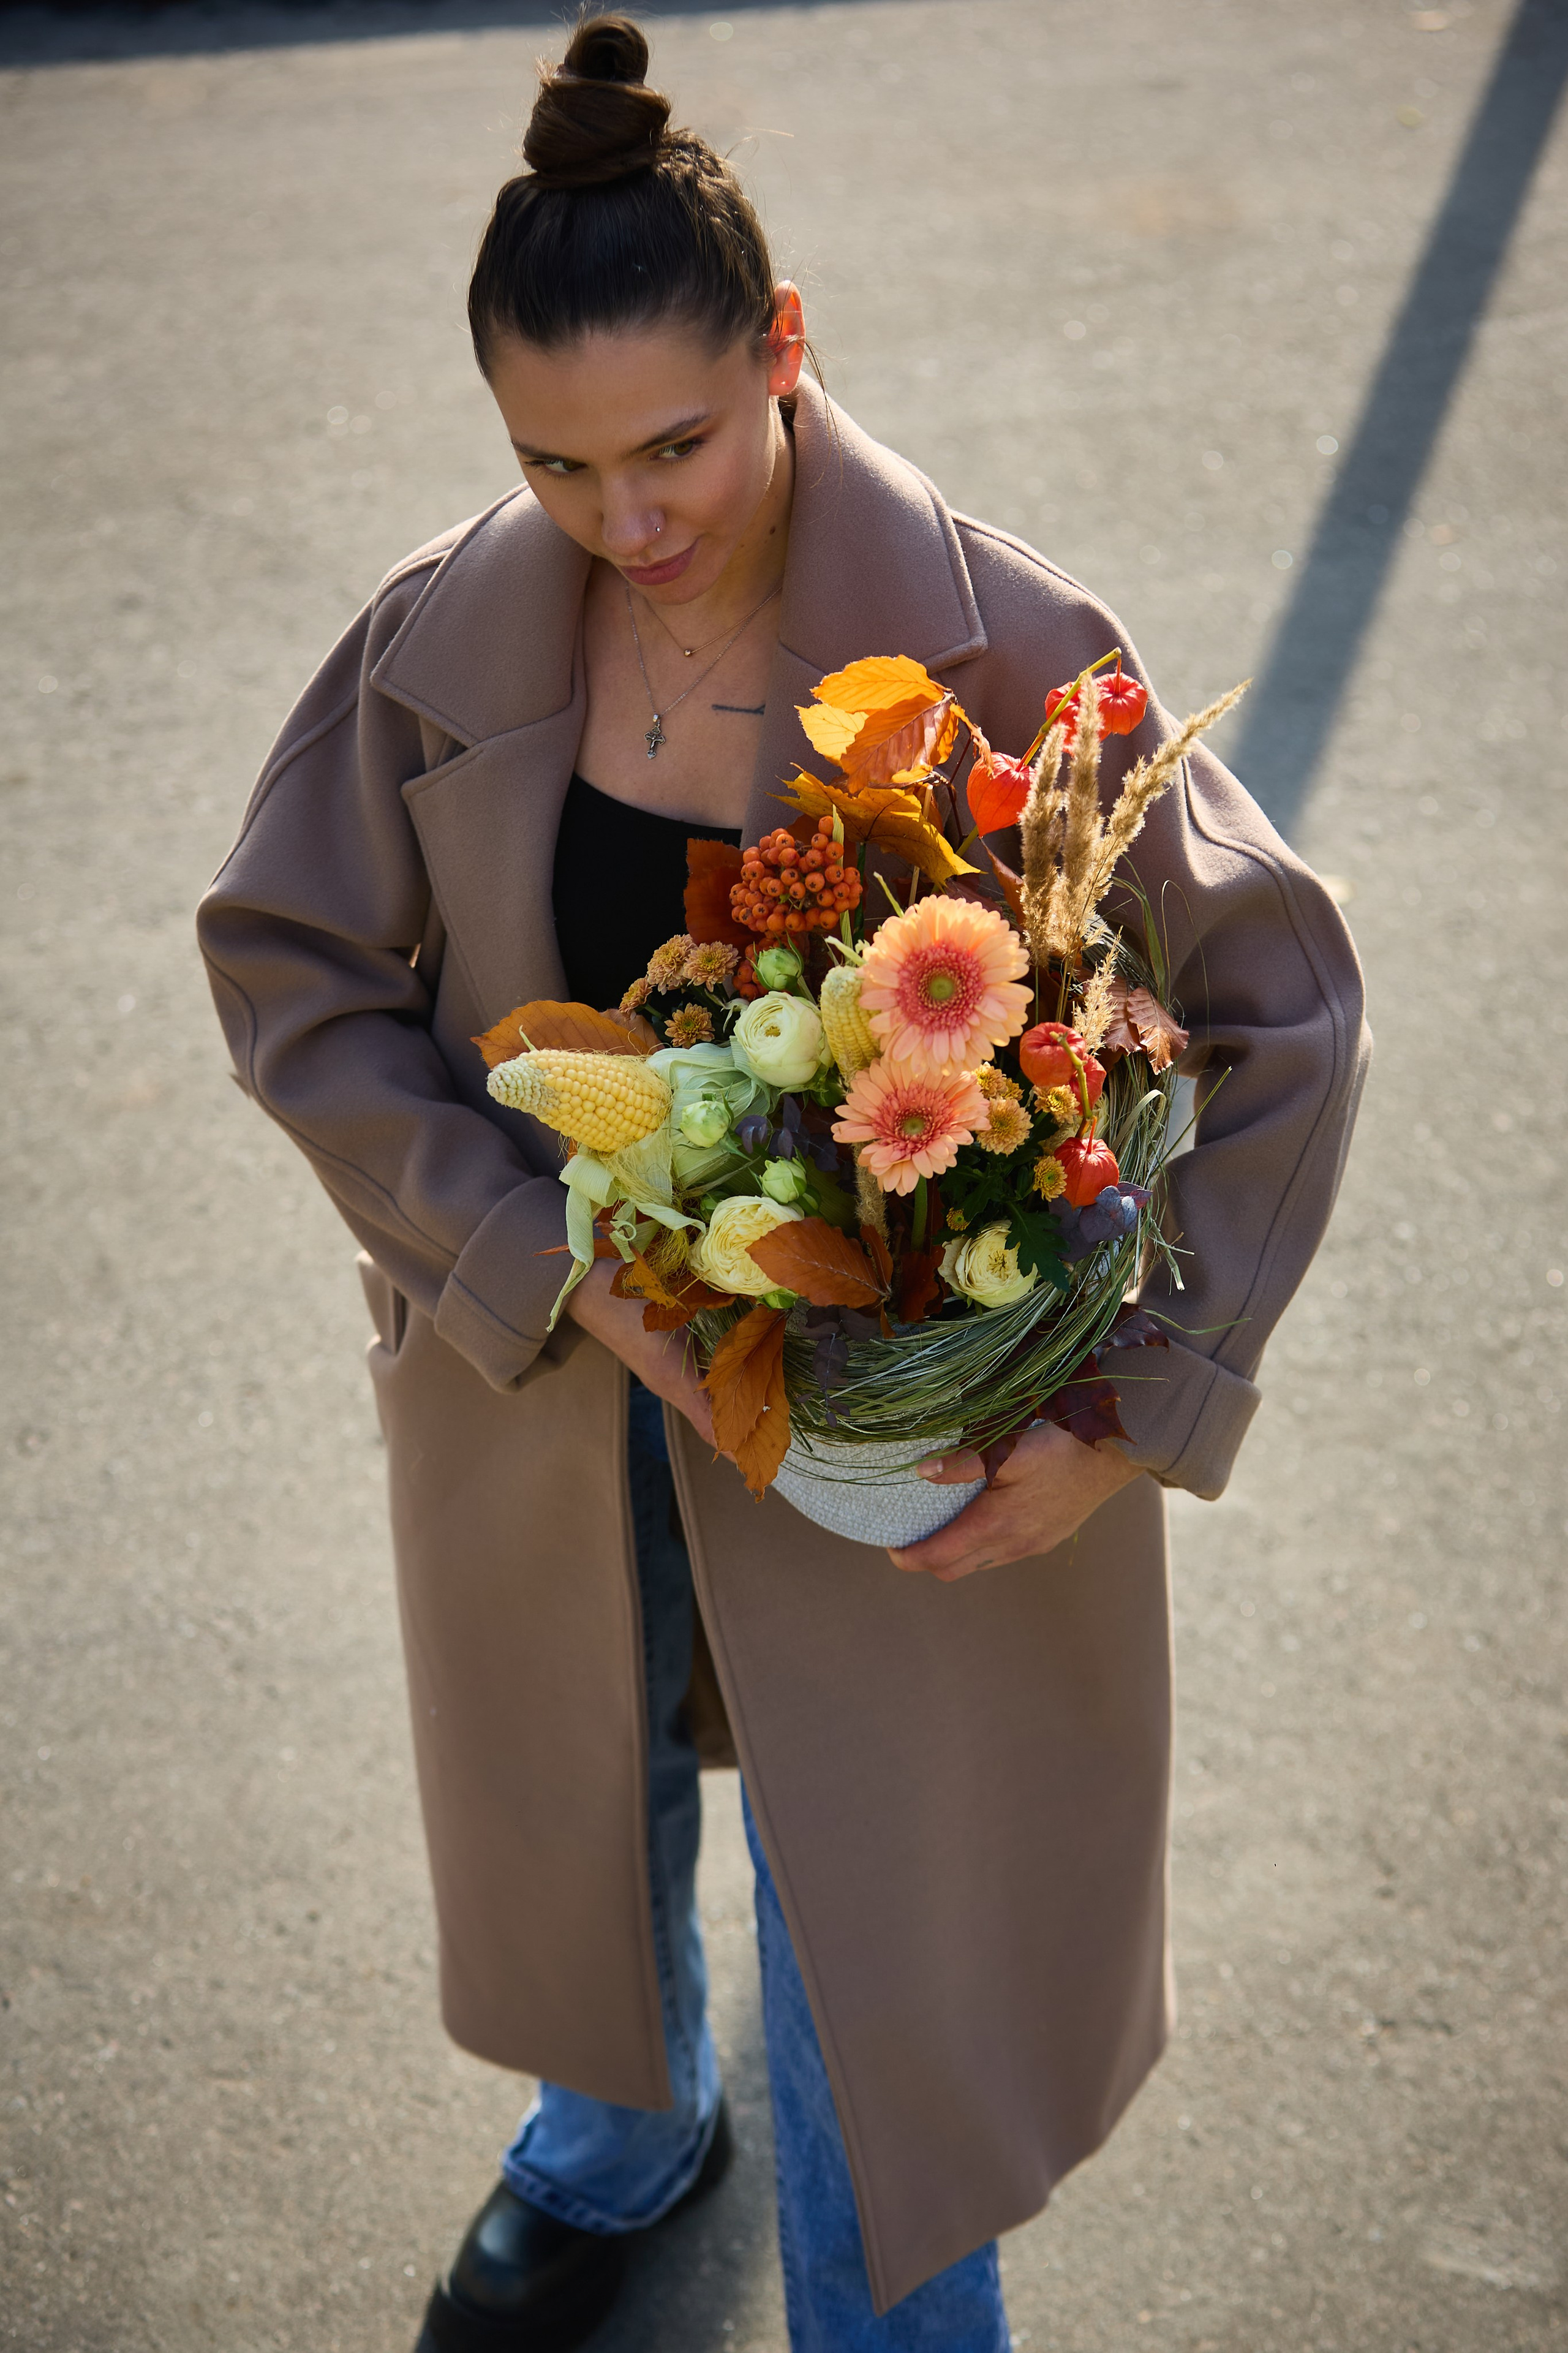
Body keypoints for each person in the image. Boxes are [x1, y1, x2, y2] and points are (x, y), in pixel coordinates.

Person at [197, 17, 1369, 2351]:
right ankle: (622, 2141)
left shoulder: (1009, 642)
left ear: (789, 349)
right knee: (581, 1766)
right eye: (552, 463)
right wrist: (535, 1260)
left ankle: (894, 2320)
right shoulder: (437, 635)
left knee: (876, 1903)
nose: (625, 521)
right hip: (550, 1367)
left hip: (900, 1417)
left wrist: (1127, 1403)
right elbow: (294, 969)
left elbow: (1288, 1015)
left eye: (674, 446)